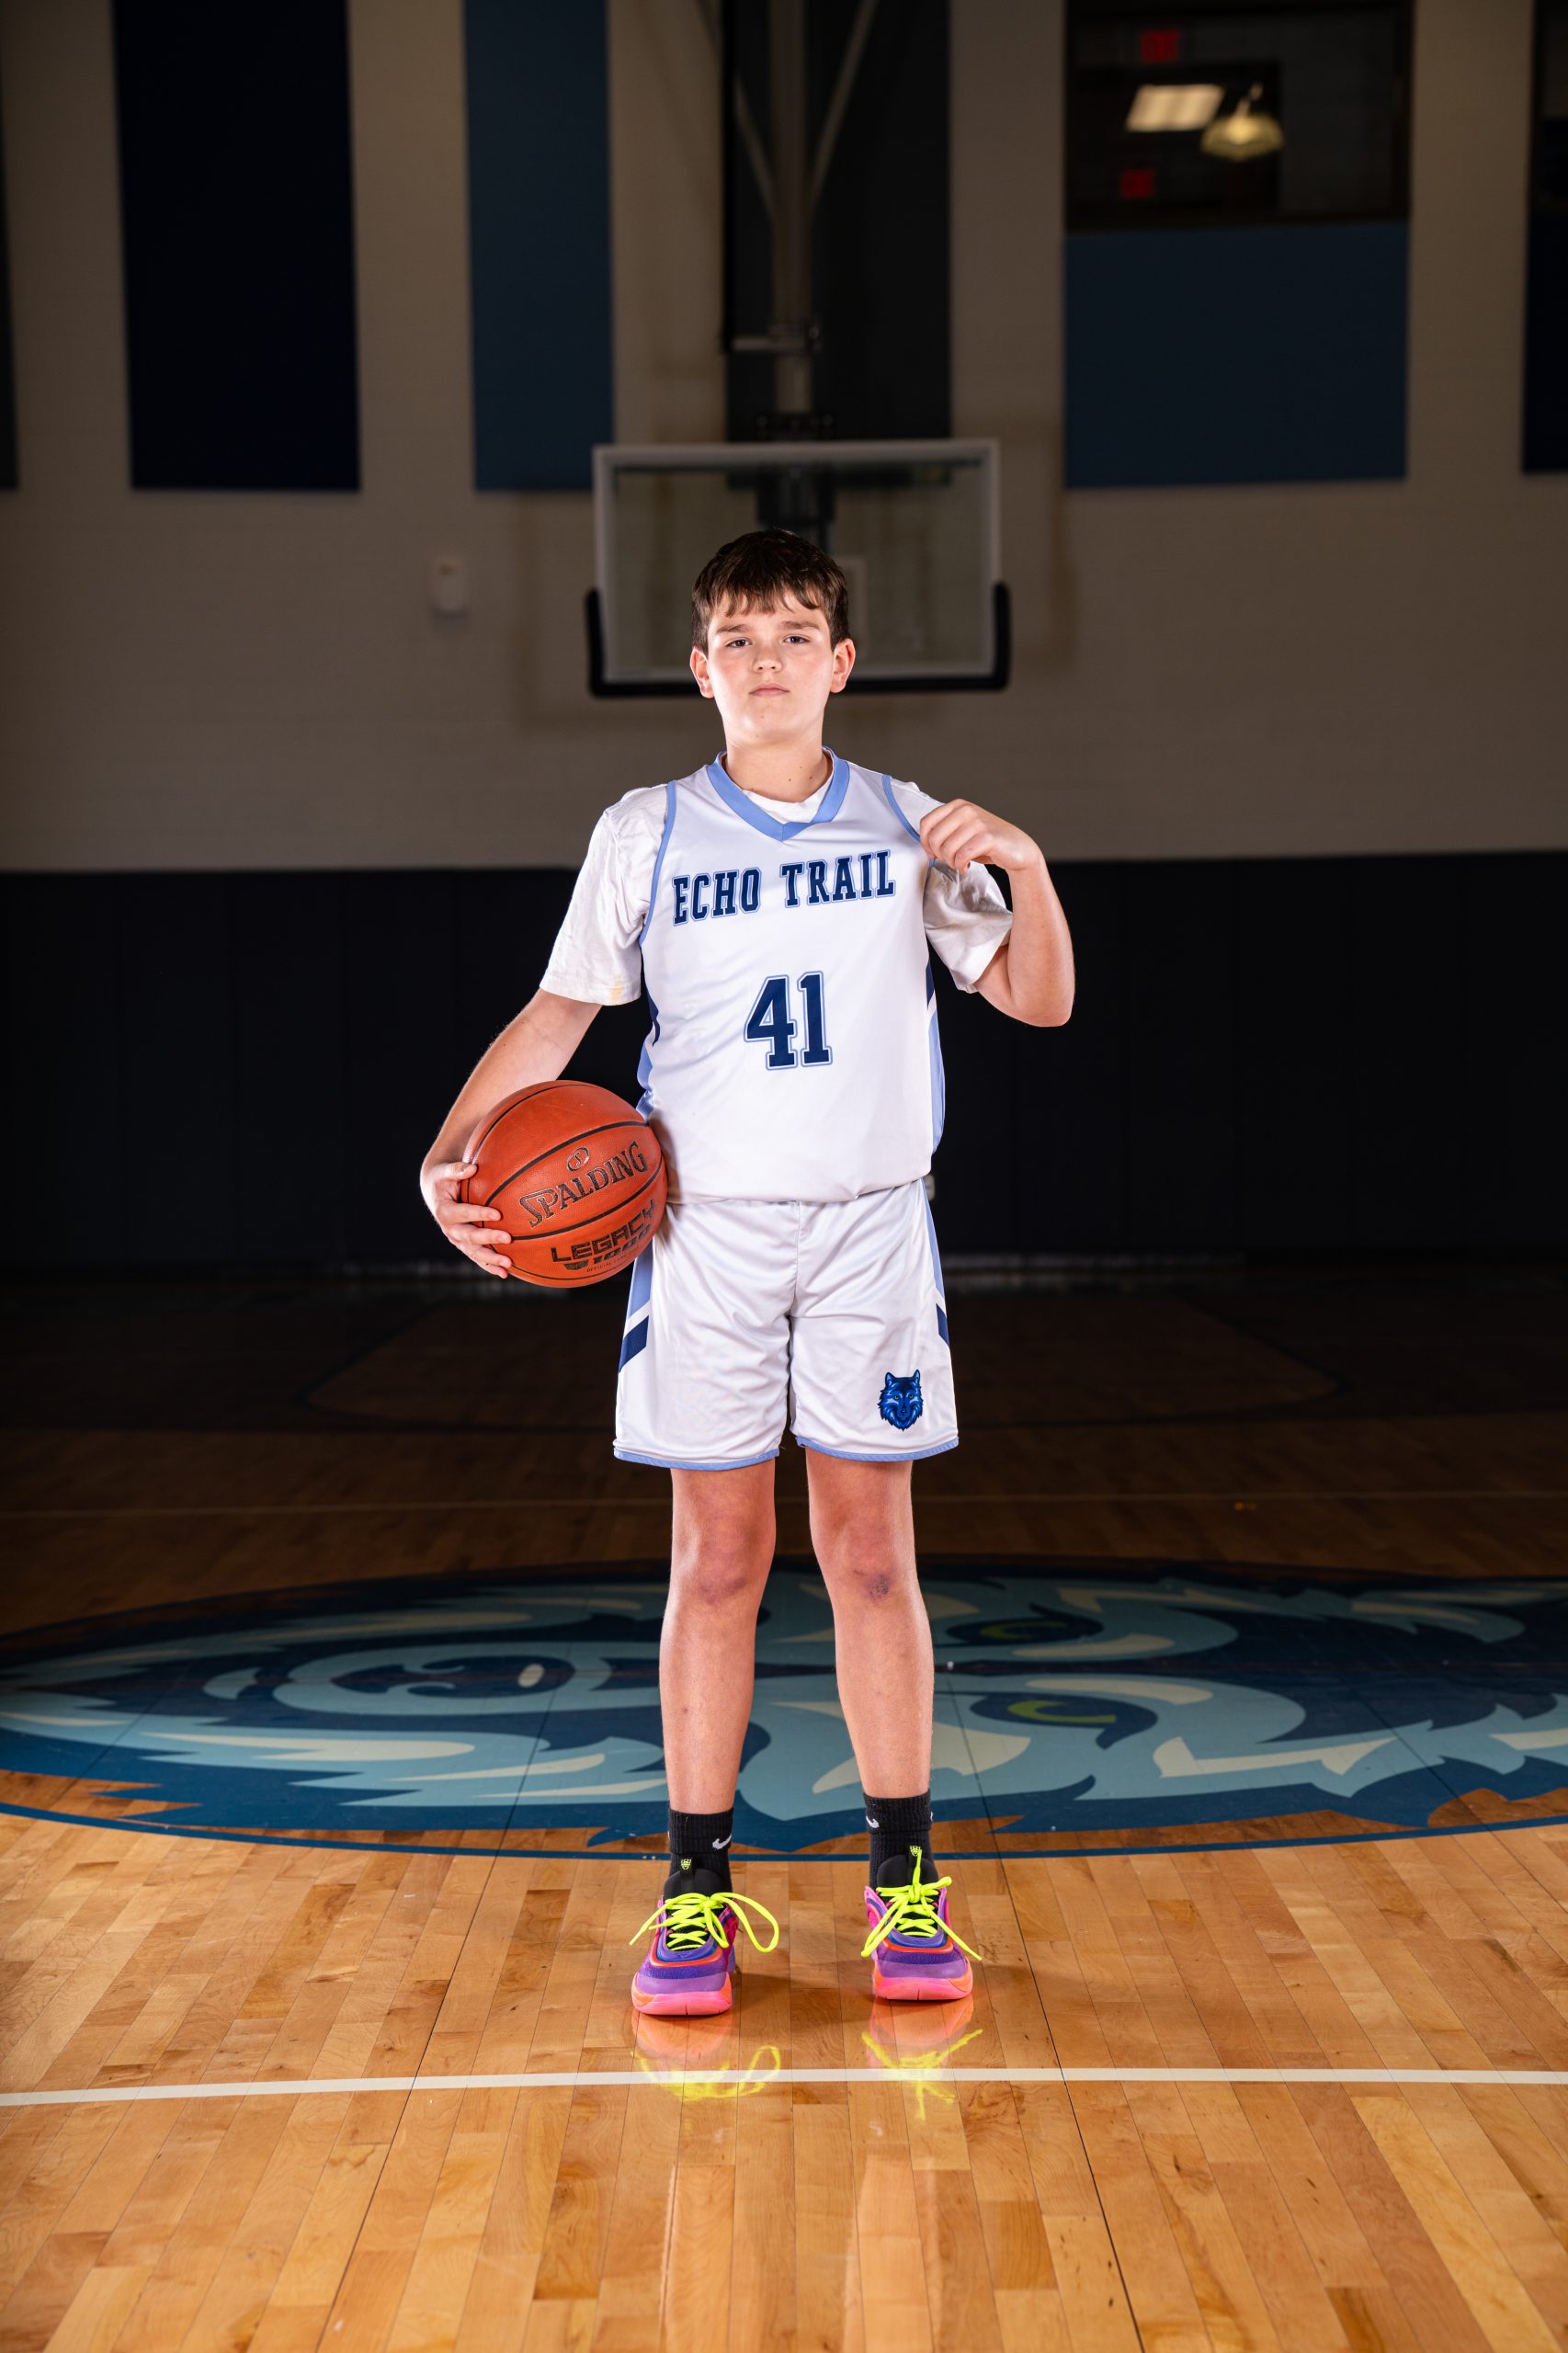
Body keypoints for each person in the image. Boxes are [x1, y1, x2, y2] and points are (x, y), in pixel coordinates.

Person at [420, 529, 1074, 2011]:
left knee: (870, 1557)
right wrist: (440, 1160)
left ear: (838, 663)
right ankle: (694, 1892)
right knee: (715, 1561)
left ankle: (904, 1883)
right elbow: (557, 1017)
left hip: (866, 1227)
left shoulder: (908, 825)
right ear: (698, 669)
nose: (764, 661)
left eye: (792, 637)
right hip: (700, 1233)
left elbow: (1038, 1003)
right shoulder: (645, 832)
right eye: (737, 638)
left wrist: (1027, 871)